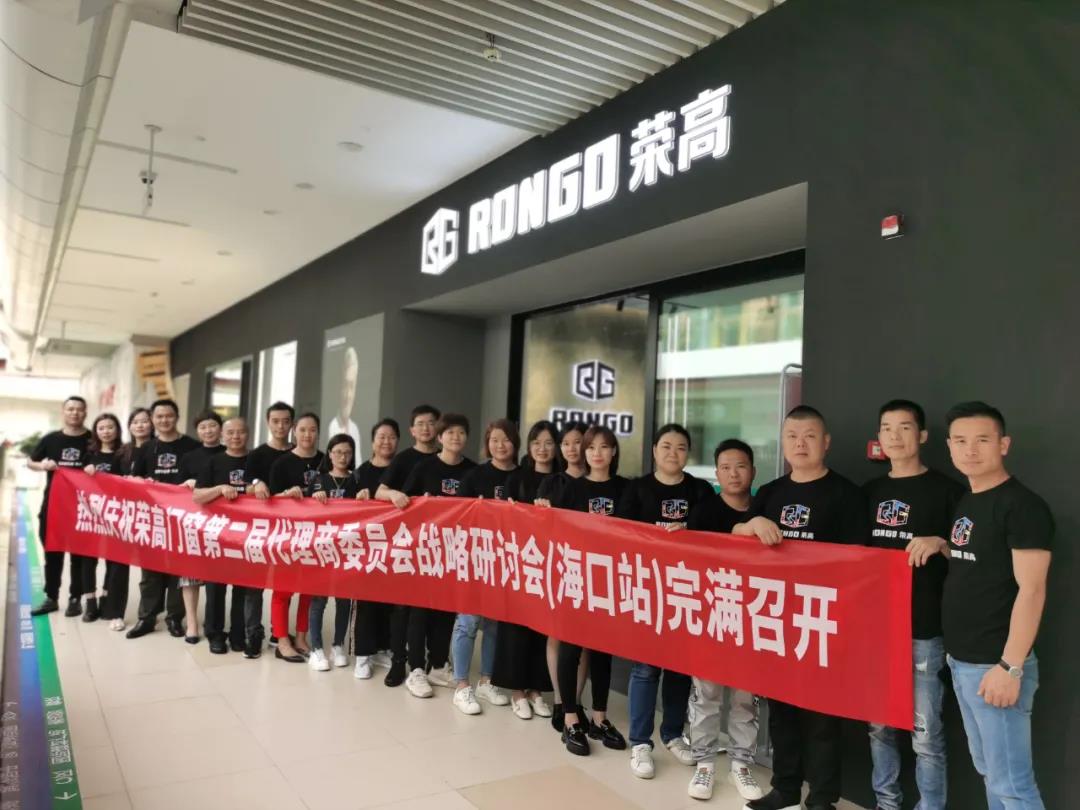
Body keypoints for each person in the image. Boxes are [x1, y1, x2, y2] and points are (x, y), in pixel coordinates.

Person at [733, 405, 865, 810]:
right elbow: (735, 535)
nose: (800, 444)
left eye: (809, 436)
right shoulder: (771, 492)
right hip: (777, 617)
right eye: (792, 436)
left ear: (826, 442)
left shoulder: (847, 494)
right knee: (782, 711)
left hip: (824, 619)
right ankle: (785, 788)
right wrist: (751, 525)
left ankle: (822, 799)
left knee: (822, 717)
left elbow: (860, 562)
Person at [940, 402, 1052, 810]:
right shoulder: (969, 500)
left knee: (1012, 785)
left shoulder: (1021, 506)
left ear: (1003, 444)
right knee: (991, 772)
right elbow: (981, 560)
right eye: (961, 441)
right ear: (950, 447)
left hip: (995, 665)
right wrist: (941, 545)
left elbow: (1032, 590)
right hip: (963, 661)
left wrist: (1010, 667)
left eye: (982, 440)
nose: (970, 450)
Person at [864, 400, 963, 810]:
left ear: (921, 436)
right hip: (876, 631)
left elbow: (972, 555)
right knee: (879, 728)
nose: (895, 436)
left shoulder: (949, 491)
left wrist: (941, 543)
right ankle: (887, 804)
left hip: (924, 629)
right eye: (887, 428)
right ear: (879, 437)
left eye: (904, 427)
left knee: (926, 737)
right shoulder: (868, 493)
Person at [621, 424, 714, 780]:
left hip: (686, 589)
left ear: (688, 453)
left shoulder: (700, 490)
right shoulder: (637, 489)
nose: (673, 453)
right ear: (654, 451)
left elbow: (712, 533)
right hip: (647, 588)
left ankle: (673, 733)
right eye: (666, 446)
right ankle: (640, 742)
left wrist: (692, 533)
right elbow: (620, 535)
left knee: (679, 667)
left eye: (680, 447)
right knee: (646, 668)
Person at [685, 439, 766, 802]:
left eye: (741, 466)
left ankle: (741, 763)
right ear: (716, 474)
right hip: (711, 614)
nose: (734, 474)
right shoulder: (704, 511)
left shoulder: (765, 508)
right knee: (707, 694)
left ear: (753, 471)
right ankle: (704, 762)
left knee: (746, 696)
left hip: (754, 615)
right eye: (726, 467)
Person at [541, 424, 628, 757]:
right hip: (576, 577)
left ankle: (599, 717)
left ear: (613, 452)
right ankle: (571, 718)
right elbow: (553, 530)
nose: (597, 453)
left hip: (611, 579)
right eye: (591, 447)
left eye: (604, 447)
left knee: (603, 650)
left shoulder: (626, 489)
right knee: (570, 646)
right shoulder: (571, 489)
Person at [397, 413, 476, 699]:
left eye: (461, 432)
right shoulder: (424, 467)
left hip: (457, 551)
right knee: (419, 610)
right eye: (449, 432)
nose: (455, 437)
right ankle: (416, 668)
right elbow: (405, 502)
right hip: (425, 549)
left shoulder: (473, 471)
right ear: (440, 437)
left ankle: (439, 664)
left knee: (445, 609)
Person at [449, 419, 519, 715]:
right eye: (494, 440)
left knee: (494, 623)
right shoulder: (474, 475)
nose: (500, 445)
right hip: (475, 558)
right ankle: (461, 684)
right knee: (467, 622)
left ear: (515, 442)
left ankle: (486, 681)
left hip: (507, 560)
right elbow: (455, 515)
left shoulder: (521, 476)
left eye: (505, 439)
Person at [491, 420, 559, 720]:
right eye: (536, 443)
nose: (542, 449)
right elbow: (503, 517)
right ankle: (517, 691)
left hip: (552, 563)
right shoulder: (516, 478)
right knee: (516, 626)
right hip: (520, 561)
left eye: (548, 443)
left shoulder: (563, 480)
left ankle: (535, 689)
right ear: (529, 447)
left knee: (542, 628)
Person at [193, 417, 271, 657]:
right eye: (231, 432)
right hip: (218, 535)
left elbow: (270, 493)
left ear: (248, 434)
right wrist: (219, 489)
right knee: (215, 588)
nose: (236, 436)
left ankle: (238, 634)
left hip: (247, 536)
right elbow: (197, 496)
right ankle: (215, 634)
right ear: (223, 436)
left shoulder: (257, 461)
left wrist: (258, 488)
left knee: (242, 587)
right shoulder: (213, 461)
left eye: (241, 432)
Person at [375, 404, 441, 687]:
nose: (426, 428)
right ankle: (398, 662)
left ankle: (425, 663)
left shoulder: (445, 457)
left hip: (437, 544)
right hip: (404, 542)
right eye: (420, 423)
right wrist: (394, 495)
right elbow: (380, 491)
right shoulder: (403, 459)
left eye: (431, 423)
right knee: (402, 606)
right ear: (412, 430)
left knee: (429, 607)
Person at [126, 398, 201, 639]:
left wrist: (194, 481)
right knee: (150, 571)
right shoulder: (146, 448)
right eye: (159, 416)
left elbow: (202, 477)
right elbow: (133, 478)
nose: (164, 420)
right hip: (152, 517)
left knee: (178, 570)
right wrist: (141, 481)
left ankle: (174, 618)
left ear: (177, 417)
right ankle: (146, 618)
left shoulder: (192, 446)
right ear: (152, 420)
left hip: (182, 518)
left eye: (169, 416)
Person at [536, 421, 590, 732]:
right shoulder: (551, 483)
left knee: (584, 641)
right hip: (558, 564)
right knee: (556, 633)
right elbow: (538, 525)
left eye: (578, 442)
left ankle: (576, 701)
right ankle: (560, 700)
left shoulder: (598, 482)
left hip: (592, 568)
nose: (572, 448)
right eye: (566, 443)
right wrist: (540, 510)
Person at [28, 396, 93, 618]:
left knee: (79, 556)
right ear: (63, 411)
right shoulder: (51, 439)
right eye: (70, 409)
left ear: (85, 413)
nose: (75, 413)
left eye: (79, 409)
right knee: (52, 552)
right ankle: (51, 597)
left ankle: (75, 598)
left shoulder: (92, 440)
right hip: (53, 506)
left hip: (84, 508)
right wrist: (42, 465)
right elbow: (31, 461)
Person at [268, 412, 324, 662]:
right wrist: (286, 495)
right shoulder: (281, 463)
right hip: (288, 534)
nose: (307, 435)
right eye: (302, 430)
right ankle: (282, 641)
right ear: (294, 432)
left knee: (308, 589)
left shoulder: (325, 460)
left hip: (318, 535)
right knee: (283, 589)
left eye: (312, 430)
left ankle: (301, 637)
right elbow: (269, 501)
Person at [352, 418, 400, 679]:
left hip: (397, 544)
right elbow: (346, 508)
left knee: (392, 601)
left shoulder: (403, 469)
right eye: (381, 437)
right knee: (366, 601)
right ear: (372, 442)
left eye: (391, 437)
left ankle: (385, 648)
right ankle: (363, 654)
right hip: (367, 546)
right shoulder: (361, 472)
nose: (386, 442)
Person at [245, 401, 296, 650]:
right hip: (260, 527)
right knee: (255, 584)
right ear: (268, 423)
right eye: (275, 421)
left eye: (285, 421)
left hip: (290, 529)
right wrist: (256, 483)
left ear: (292, 424)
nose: (280, 426)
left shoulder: (298, 452)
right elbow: (244, 486)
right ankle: (254, 633)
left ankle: (280, 632)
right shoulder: (256, 455)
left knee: (284, 584)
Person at [307, 434, 360, 673]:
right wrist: (313, 498)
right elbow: (304, 511)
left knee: (344, 600)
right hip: (322, 547)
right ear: (329, 453)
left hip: (347, 548)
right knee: (318, 600)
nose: (342, 457)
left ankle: (338, 645)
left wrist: (364, 499)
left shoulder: (356, 480)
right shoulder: (318, 479)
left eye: (347, 452)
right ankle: (316, 648)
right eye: (338, 452)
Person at [81, 412, 127, 628]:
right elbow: (75, 480)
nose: (106, 431)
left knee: (113, 559)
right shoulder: (88, 455)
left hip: (115, 515)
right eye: (101, 428)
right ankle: (90, 601)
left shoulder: (124, 454)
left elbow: (128, 482)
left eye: (110, 427)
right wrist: (84, 473)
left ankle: (107, 599)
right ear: (95, 431)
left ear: (117, 430)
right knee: (88, 559)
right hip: (90, 514)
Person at [327, 345, 362, 457]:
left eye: (351, 387)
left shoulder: (355, 430)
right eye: (345, 385)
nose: (348, 395)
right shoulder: (330, 427)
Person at [179, 409, 225, 488]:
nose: (208, 431)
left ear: (221, 429)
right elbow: (179, 487)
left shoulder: (231, 453)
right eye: (202, 427)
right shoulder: (188, 458)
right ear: (197, 431)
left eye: (212, 426)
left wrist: (198, 483)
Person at [117, 407, 152, 471]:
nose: (139, 426)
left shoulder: (157, 448)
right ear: (129, 426)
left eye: (144, 422)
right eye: (135, 422)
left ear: (152, 425)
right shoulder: (122, 451)